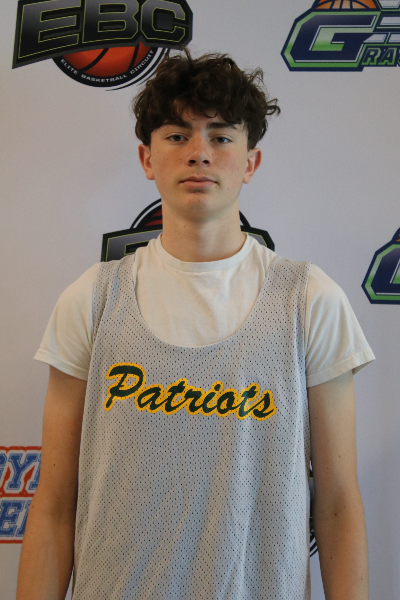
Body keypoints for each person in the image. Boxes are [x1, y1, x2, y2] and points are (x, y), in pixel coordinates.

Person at [17, 51, 374, 600]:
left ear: (250, 162)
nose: (199, 153)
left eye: (221, 136)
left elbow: (337, 505)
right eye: (177, 135)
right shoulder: (93, 299)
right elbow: (55, 505)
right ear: (147, 157)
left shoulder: (309, 300)